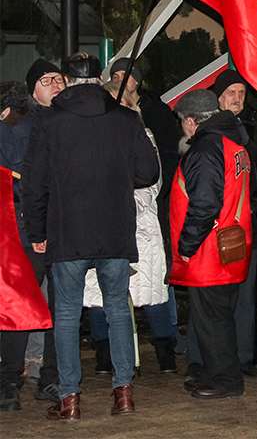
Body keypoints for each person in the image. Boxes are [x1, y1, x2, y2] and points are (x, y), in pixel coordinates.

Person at [21, 74, 160, 421]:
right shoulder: (126, 118)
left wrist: (37, 229)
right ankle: (124, 392)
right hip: (114, 228)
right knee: (117, 310)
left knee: (66, 314)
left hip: (68, 230)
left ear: (67, 82)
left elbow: (34, 183)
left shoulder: (48, 121)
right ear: (99, 80)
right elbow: (149, 171)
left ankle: (69, 398)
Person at [82, 81, 178, 375]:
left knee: (151, 292)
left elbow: (152, 182)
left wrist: (122, 205)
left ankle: (165, 353)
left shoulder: (143, 135)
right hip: (100, 225)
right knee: (98, 293)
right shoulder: (87, 137)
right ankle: (105, 352)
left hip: (139, 224)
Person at [170, 89, 252, 400]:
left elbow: (204, 204)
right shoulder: (234, 144)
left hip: (209, 250)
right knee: (219, 314)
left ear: (191, 121)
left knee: (212, 318)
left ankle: (225, 380)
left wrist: (186, 245)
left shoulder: (205, 148)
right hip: (231, 244)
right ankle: (215, 371)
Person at [0, 66, 63, 412]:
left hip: (63, 230)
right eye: (46, 80)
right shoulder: (14, 125)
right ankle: (9, 379)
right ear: (32, 89)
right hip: (26, 233)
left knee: (61, 308)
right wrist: (34, 225)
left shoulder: (70, 121)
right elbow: (12, 181)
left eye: (59, 79)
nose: (55, 85)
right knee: (19, 308)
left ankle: (50, 377)